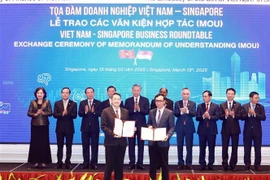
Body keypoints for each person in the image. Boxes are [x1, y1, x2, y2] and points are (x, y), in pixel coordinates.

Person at [101, 93, 129, 180]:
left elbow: (126, 124)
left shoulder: (125, 111)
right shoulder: (105, 111)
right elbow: (103, 126)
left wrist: (131, 129)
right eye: (115, 99)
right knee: (109, 166)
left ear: (120, 101)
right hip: (110, 142)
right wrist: (113, 133)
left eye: (118, 99)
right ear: (111, 101)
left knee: (119, 165)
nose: (117, 101)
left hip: (122, 142)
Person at [147, 93, 175, 180]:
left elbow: (172, 127)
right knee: (152, 165)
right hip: (152, 142)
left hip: (163, 142)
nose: (158, 103)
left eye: (160, 101)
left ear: (164, 102)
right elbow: (149, 123)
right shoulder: (152, 112)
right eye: (157, 101)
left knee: (164, 165)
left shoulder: (169, 113)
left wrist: (167, 135)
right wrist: (149, 126)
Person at [125, 84, 150, 170]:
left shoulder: (145, 100)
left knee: (141, 145)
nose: (136, 92)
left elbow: (147, 111)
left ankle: (140, 163)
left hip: (142, 125)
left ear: (140, 91)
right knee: (131, 145)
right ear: (132, 90)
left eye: (138, 90)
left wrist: (139, 109)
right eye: (134, 90)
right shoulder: (128, 100)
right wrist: (134, 110)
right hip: (130, 125)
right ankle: (131, 163)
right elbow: (126, 112)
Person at [27, 87, 52, 168]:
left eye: (41, 93)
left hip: (44, 125)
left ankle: (44, 161)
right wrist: (35, 114)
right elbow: (28, 112)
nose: (39, 94)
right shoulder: (32, 102)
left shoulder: (47, 102)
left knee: (44, 143)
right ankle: (36, 161)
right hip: (34, 125)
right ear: (36, 94)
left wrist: (43, 113)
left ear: (44, 94)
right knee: (35, 143)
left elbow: (50, 112)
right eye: (38, 93)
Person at [53, 87, 77, 169]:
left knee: (68, 146)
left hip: (69, 128)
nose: (65, 94)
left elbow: (75, 115)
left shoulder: (73, 103)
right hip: (59, 128)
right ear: (61, 94)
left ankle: (68, 162)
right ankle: (59, 162)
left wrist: (68, 113)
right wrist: (62, 114)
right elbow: (55, 115)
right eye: (63, 92)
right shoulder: (57, 103)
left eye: (67, 93)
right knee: (59, 146)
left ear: (69, 94)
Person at [241, 91, 266, 171]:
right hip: (247, 131)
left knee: (257, 149)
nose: (257, 99)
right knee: (247, 149)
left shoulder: (260, 107)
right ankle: (247, 164)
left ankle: (257, 165)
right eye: (256, 98)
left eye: (258, 98)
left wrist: (255, 114)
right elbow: (242, 117)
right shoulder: (245, 106)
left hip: (257, 131)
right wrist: (248, 114)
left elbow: (263, 117)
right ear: (251, 98)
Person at [78, 87, 101, 169]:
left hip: (94, 128)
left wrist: (94, 111)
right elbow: (80, 114)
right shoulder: (82, 103)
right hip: (85, 127)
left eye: (91, 92)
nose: (90, 94)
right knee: (85, 146)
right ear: (85, 94)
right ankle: (86, 162)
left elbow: (100, 113)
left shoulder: (98, 102)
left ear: (94, 93)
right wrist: (85, 111)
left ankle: (94, 162)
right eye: (88, 92)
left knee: (94, 146)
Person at [196, 90, 219, 170]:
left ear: (210, 97)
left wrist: (209, 117)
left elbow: (217, 117)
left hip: (212, 130)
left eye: (205, 96)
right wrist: (203, 116)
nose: (204, 98)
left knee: (211, 148)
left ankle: (211, 163)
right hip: (202, 130)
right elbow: (197, 118)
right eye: (203, 96)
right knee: (202, 148)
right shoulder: (200, 106)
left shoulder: (215, 106)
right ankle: (202, 163)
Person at [174, 88, 196, 170]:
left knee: (189, 146)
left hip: (189, 127)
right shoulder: (177, 103)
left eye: (187, 94)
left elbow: (194, 113)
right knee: (179, 145)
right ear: (181, 94)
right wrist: (181, 112)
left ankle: (188, 163)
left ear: (189, 95)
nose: (185, 95)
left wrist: (187, 111)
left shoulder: (192, 103)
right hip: (180, 127)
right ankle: (180, 162)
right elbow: (175, 113)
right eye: (184, 93)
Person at [219, 88, 241, 171]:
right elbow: (219, 117)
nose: (230, 95)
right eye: (229, 93)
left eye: (232, 94)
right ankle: (224, 164)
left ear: (234, 95)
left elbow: (241, 116)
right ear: (226, 94)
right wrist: (225, 115)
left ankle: (233, 165)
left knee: (234, 148)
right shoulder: (222, 105)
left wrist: (234, 115)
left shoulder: (238, 105)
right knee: (225, 148)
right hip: (225, 129)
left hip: (235, 130)